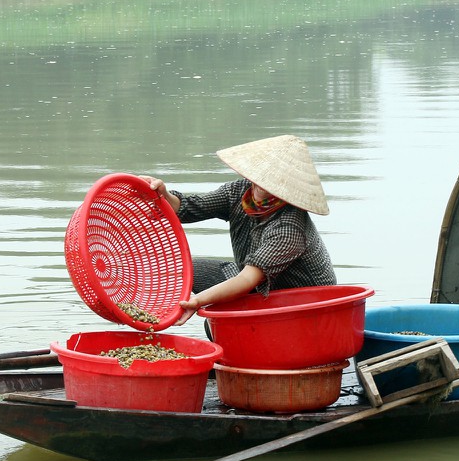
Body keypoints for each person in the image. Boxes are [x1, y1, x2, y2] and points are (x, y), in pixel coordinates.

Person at [142, 134, 336, 325]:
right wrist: (164, 195)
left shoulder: (289, 227)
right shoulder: (239, 191)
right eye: (261, 175)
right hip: (258, 285)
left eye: (273, 182)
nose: (261, 185)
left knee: (217, 318)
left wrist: (197, 302)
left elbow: (247, 279)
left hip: (305, 307)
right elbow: (191, 207)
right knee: (187, 270)